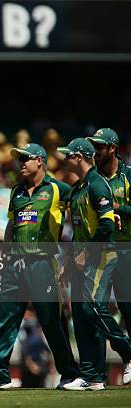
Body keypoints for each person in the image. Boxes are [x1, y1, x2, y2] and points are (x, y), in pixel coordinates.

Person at [0, 143, 80, 391]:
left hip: (43, 262)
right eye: (19, 160)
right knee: (5, 320)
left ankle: (69, 374)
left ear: (40, 161)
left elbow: (79, 216)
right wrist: (5, 253)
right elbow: (12, 225)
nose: (20, 163)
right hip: (15, 265)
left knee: (52, 321)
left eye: (26, 159)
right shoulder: (17, 191)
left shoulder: (59, 190)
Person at [57, 138, 131, 390]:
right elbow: (76, 230)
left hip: (99, 256)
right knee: (80, 315)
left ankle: (127, 351)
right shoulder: (78, 188)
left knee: (91, 307)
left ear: (80, 157)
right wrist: (69, 261)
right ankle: (92, 376)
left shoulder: (97, 185)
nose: (65, 159)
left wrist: (86, 254)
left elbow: (107, 225)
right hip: (80, 260)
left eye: (69, 155)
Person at [86, 128, 131, 334]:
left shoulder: (128, 175)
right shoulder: (92, 179)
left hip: (126, 250)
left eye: (99, 147)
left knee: (128, 308)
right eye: (93, 146)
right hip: (102, 252)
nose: (94, 151)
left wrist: (117, 208)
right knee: (94, 309)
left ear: (112, 148)